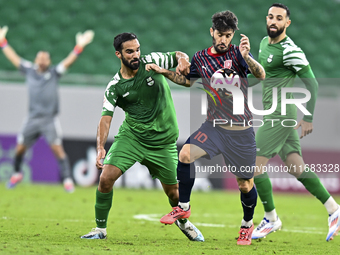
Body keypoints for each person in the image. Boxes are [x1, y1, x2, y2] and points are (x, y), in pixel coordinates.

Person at [80, 32, 204, 241]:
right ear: (118, 54)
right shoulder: (115, 87)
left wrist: (183, 59)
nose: (136, 55)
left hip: (163, 143)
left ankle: (183, 222)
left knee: (174, 193)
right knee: (106, 179)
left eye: (137, 49)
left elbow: (177, 55)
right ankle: (100, 229)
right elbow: (105, 118)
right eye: (130, 51)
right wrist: (101, 147)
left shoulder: (152, 61)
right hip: (133, 138)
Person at [158, 10, 266, 245]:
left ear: (233, 34)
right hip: (214, 127)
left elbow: (261, 74)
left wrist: (247, 57)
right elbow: (187, 81)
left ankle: (247, 225)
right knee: (185, 154)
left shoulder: (239, 55)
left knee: (245, 184)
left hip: (241, 132)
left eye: (228, 35)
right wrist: (164, 72)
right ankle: (183, 208)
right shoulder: (200, 58)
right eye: (219, 34)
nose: (223, 40)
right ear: (212, 32)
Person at [248, 3, 340, 241]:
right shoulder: (263, 43)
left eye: (279, 18)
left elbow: (313, 84)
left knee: (253, 166)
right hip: (274, 114)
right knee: (295, 166)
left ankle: (271, 218)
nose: (273, 21)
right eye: (270, 16)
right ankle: (334, 209)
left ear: (287, 23)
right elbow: (260, 77)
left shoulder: (291, 50)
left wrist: (308, 117)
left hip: (281, 115)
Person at [0, 26, 94, 193]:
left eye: (45, 58)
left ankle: (67, 180)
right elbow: (14, 58)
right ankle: (16, 173)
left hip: (49, 119)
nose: (42, 60)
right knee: (20, 149)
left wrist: (79, 47)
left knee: (58, 150)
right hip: (32, 119)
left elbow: (68, 61)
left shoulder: (54, 72)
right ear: (36, 60)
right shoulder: (29, 71)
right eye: (40, 58)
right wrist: (3, 43)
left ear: (48, 61)